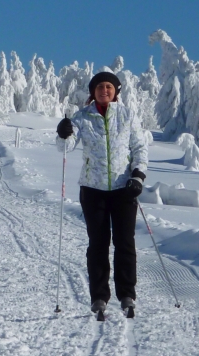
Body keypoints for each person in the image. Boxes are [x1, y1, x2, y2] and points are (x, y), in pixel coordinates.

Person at [55, 71, 148, 317]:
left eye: (108, 86)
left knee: (125, 243)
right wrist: (63, 132)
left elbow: (139, 148)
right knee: (98, 244)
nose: (104, 90)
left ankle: (127, 294)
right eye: (99, 87)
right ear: (92, 91)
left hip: (123, 190)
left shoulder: (127, 115)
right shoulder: (83, 117)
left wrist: (138, 176)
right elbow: (65, 147)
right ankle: (99, 297)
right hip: (92, 190)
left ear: (116, 91)